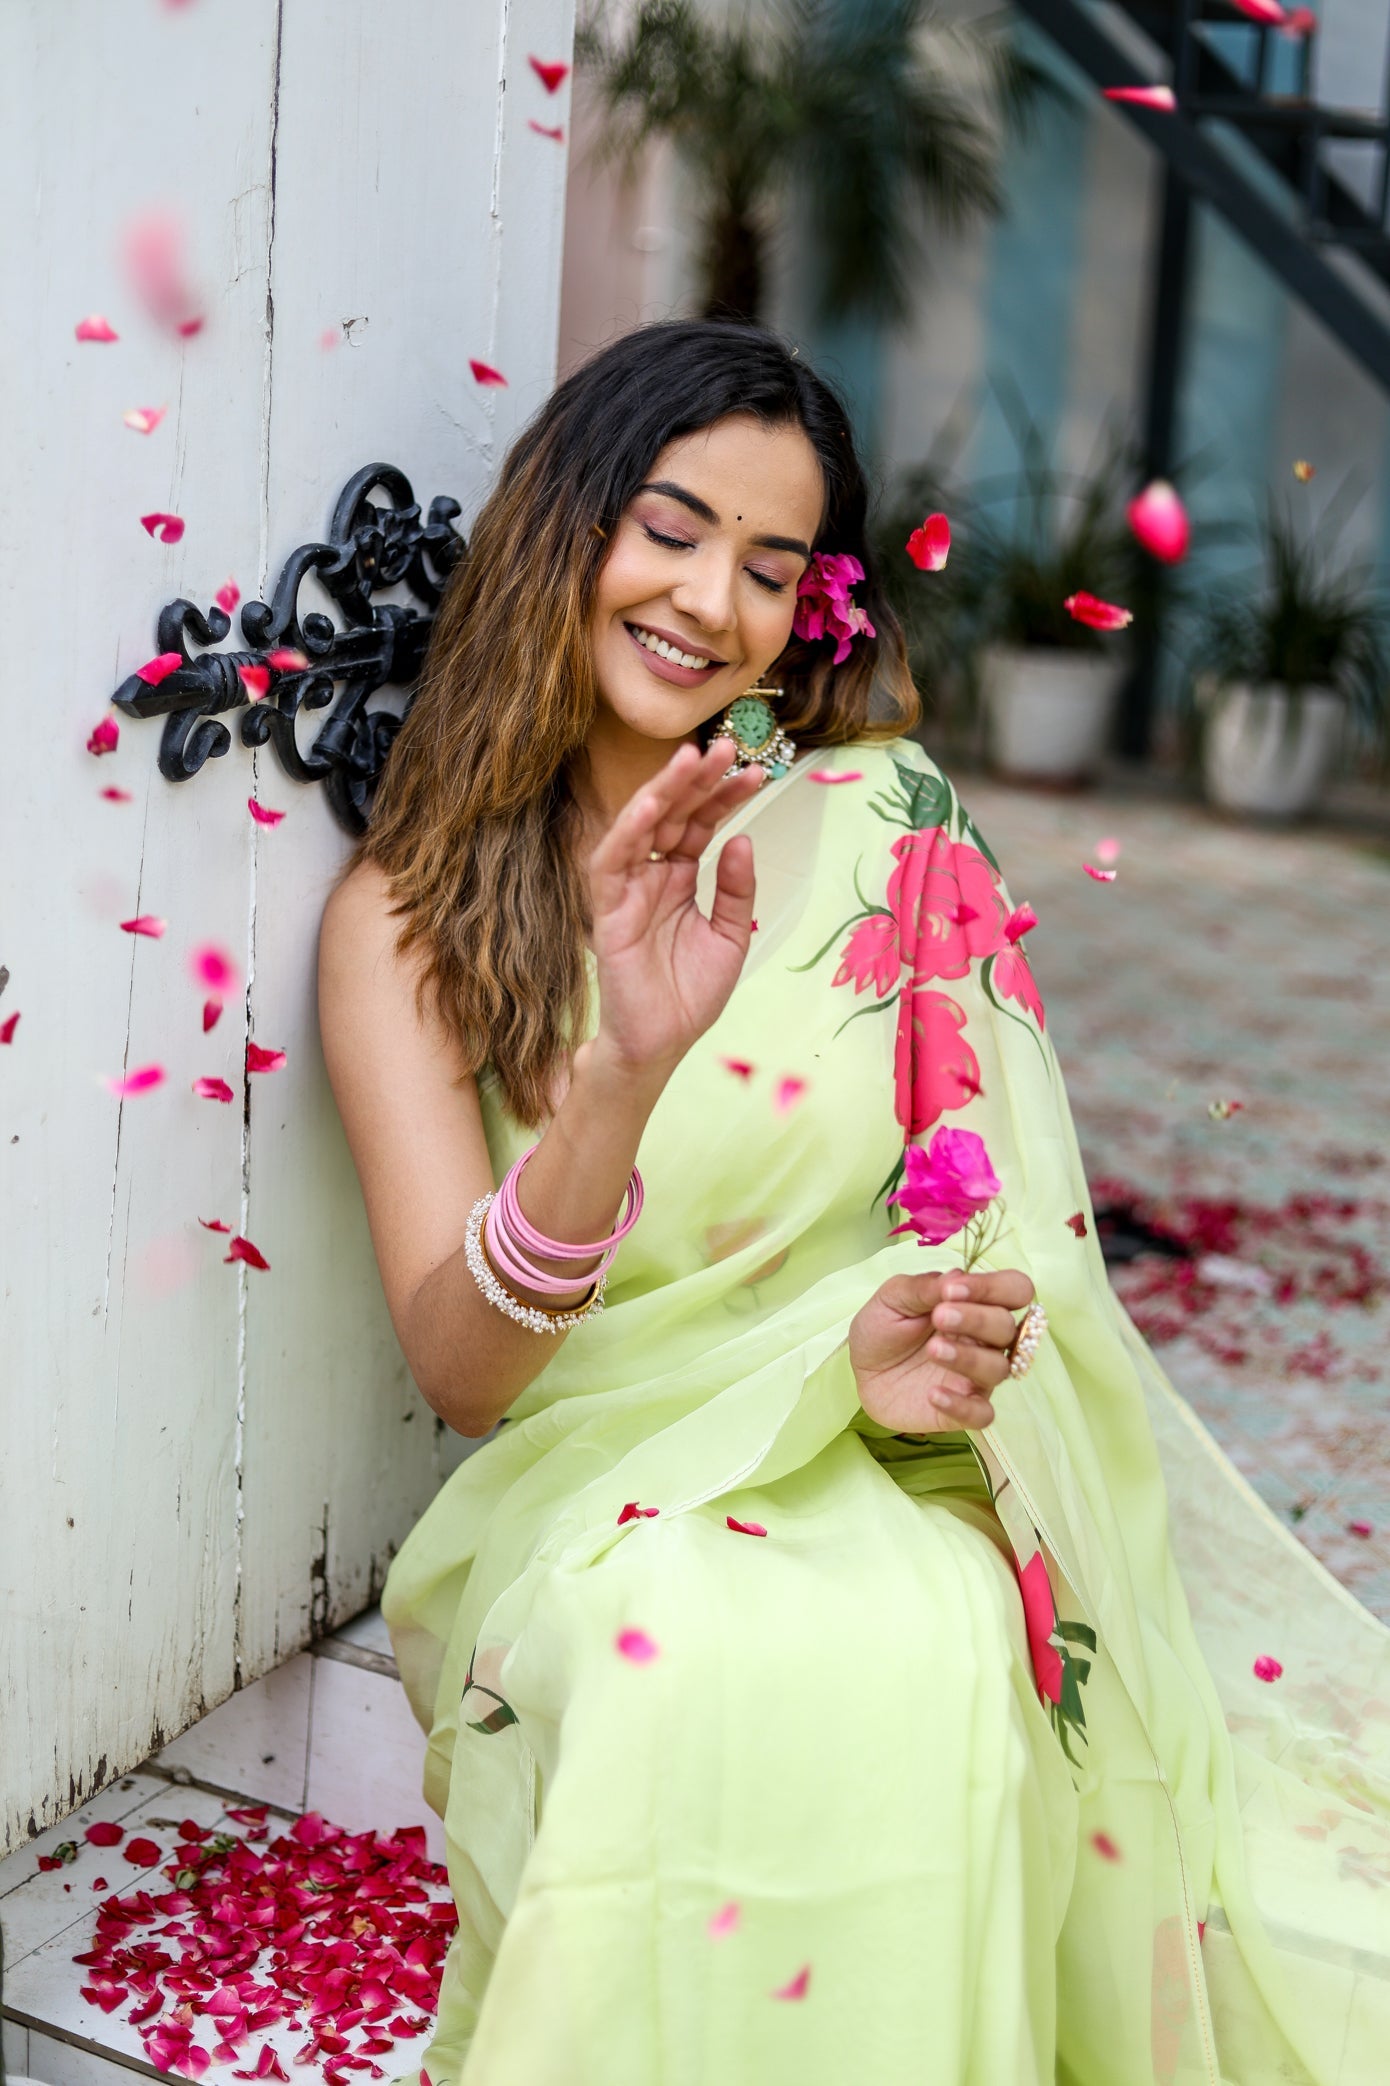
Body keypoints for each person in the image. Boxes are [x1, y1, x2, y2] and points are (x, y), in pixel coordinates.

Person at [317, 320, 1390, 2085]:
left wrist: (912, 1359)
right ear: (562, 522)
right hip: (605, 1492)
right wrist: (620, 1070)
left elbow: (998, 1228)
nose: (707, 601)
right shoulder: (410, 918)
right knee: (661, 1663)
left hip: (888, 1452)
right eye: (668, 527)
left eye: (769, 564)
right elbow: (462, 1367)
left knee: (937, 1648)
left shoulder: (885, 821)